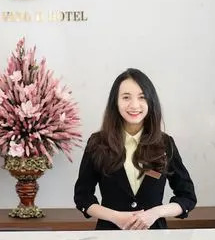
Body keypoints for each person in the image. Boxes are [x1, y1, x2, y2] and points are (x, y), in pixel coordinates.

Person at [74, 69, 196, 230]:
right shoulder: (98, 143)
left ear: (151, 101)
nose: (134, 105)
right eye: (126, 97)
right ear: (115, 102)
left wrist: (156, 213)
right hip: (109, 236)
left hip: (155, 238)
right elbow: (83, 197)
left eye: (142, 97)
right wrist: (115, 217)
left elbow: (187, 197)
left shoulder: (165, 143)